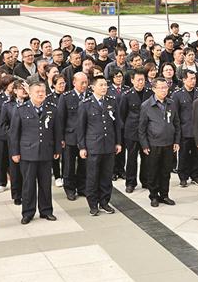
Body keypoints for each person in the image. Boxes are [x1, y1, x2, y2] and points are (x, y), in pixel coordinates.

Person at [9, 82, 59, 224]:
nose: (41, 94)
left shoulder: (52, 108)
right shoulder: (20, 109)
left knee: (45, 184)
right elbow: (14, 133)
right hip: (27, 153)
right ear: (30, 93)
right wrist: (15, 152)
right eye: (37, 91)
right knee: (28, 184)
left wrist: (57, 149)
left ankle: (46, 210)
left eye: (43, 91)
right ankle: (28, 212)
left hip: (46, 151)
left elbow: (57, 131)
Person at [77, 75, 122, 216]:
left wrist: (118, 142)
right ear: (92, 87)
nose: (104, 88)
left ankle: (104, 202)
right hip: (93, 146)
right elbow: (81, 128)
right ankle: (93, 204)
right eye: (101, 85)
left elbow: (117, 124)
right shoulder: (85, 104)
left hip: (109, 145)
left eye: (105, 85)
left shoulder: (112, 102)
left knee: (106, 176)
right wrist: (82, 147)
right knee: (92, 176)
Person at [138, 79, 180, 207]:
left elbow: (177, 124)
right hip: (153, 144)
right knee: (153, 172)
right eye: (161, 88)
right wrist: (144, 145)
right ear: (153, 89)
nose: (164, 90)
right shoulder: (146, 105)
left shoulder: (171, 103)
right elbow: (141, 128)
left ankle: (164, 195)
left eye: (165, 87)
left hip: (168, 143)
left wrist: (176, 141)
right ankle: (154, 196)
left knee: (166, 172)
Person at [57, 72, 90, 201]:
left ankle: (82, 187)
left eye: (86, 82)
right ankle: (70, 189)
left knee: (84, 165)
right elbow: (60, 119)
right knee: (69, 166)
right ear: (74, 82)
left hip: (86, 137)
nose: (84, 85)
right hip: (70, 137)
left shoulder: (90, 96)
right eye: (82, 83)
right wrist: (61, 138)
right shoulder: (66, 97)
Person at [118, 70, 150, 193]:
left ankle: (145, 180)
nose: (141, 82)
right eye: (138, 80)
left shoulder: (149, 93)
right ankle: (130, 182)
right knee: (131, 158)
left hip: (146, 131)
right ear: (132, 80)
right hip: (132, 131)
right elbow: (122, 115)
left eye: (143, 80)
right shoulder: (126, 95)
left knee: (146, 158)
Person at [171, 70, 198, 188]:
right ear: (184, 80)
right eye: (191, 79)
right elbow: (175, 115)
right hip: (185, 130)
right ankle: (183, 177)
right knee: (183, 155)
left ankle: (195, 175)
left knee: (197, 155)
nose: (193, 81)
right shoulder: (177, 94)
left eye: (194, 78)